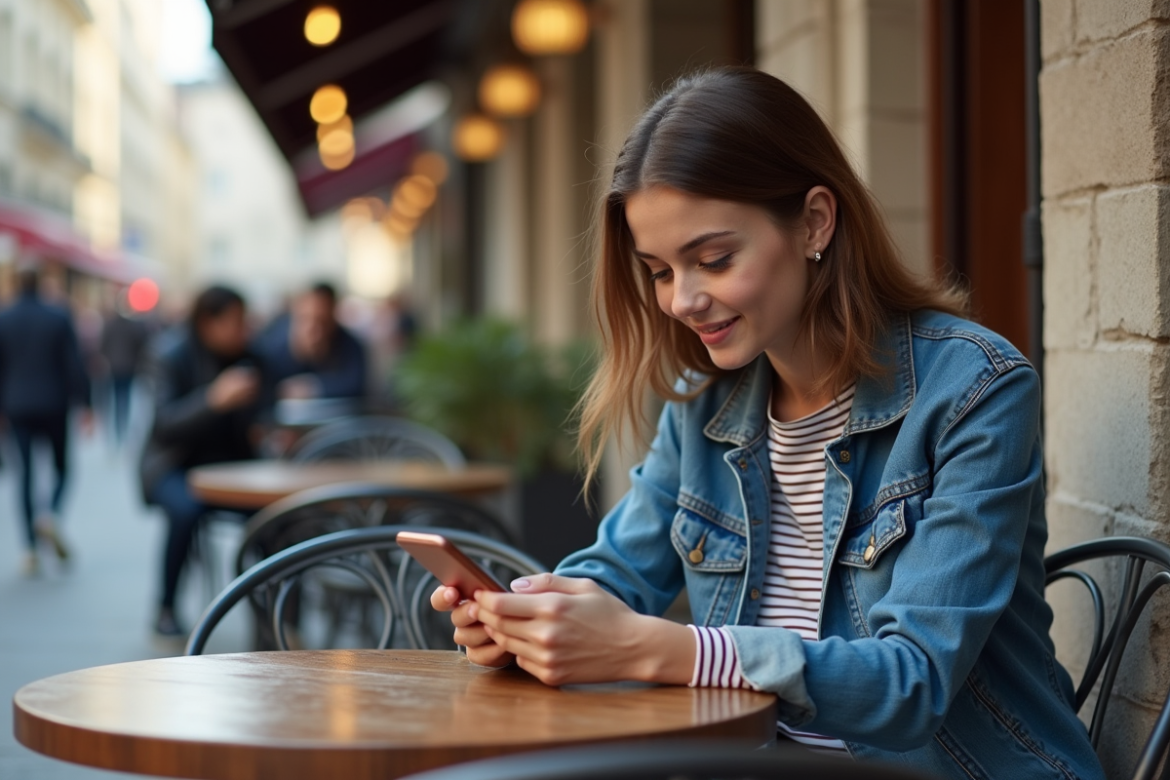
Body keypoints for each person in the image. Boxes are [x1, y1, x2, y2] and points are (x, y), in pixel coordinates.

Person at [430, 69, 1106, 778]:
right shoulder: (704, 405)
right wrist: (527, 621)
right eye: (659, 270)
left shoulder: (973, 389)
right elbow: (617, 577)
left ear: (815, 221)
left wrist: (659, 649)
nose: (682, 300)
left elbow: (913, 684)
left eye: (713, 259)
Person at [140, 285, 265, 637]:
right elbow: (163, 425)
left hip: (236, 468)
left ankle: (275, 609)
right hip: (174, 466)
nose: (243, 331)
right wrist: (213, 400)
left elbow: (268, 407)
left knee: (279, 517)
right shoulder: (169, 354)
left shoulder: (251, 356)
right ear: (209, 323)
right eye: (236, 323)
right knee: (185, 511)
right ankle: (165, 606)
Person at [0, 266, 92, 576]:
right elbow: (74, 363)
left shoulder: (5, 318)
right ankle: (50, 514)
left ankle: (28, 548)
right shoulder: (58, 316)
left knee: (23, 475)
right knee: (62, 468)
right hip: (54, 404)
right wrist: (87, 404)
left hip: (17, 406)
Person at [256, 282, 367, 401]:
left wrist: (313, 388)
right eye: (305, 319)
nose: (313, 329)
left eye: (323, 322)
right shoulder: (271, 345)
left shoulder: (350, 345)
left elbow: (355, 387)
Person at [100, 298, 150, 446]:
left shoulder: (110, 324)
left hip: (115, 367)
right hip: (128, 367)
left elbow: (103, 345)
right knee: (125, 397)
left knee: (117, 396)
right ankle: (123, 425)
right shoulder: (133, 326)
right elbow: (141, 345)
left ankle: (118, 427)